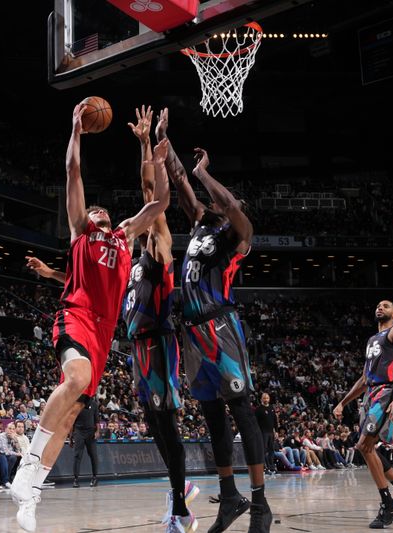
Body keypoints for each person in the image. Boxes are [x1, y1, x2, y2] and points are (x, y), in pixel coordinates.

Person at [11, 103, 171, 532]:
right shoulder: (81, 229)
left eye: (103, 209)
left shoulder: (124, 236)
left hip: (104, 331)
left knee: (70, 417)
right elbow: (73, 173)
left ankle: (33, 494)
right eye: (94, 209)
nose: (98, 210)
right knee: (76, 379)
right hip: (76, 316)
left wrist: (148, 148)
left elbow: (160, 201)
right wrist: (76, 129)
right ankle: (27, 464)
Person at [156, 108, 269, 533]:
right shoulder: (202, 226)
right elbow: (182, 187)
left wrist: (205, 174)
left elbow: (228, 204)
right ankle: (231, 495)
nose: (212, 205)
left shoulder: (235, 236)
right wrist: (165, 146)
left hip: (222, 329)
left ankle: (260, 505)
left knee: (241, 411)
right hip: (193, 335)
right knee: (213, 417)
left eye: (223, 202)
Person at [123, 105, 199, 532]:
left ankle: (180, 510)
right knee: (154, 424)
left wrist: (148, 143)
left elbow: (150, 190)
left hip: (159, 343)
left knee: (167, 426)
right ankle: (180, 487)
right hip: (138, 349)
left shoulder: (159, 247)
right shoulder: (133, 261)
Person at [334, 300, 393, 529]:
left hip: (388, 392)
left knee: (364, 446)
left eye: (385, 306)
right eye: (377, 305)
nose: (380, 307)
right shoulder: (371, 340)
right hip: (372, 394)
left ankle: (389, 504)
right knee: (368, 448)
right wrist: (342, 403)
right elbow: (365, 379)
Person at [70, 397, 99, 489]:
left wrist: (97, 432)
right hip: (79, 431)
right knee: (77, 455)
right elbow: (72, 421)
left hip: (90, 432)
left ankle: (95, 477)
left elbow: (97, 420)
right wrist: (71, 436)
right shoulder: (76, 404)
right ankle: (75, 479)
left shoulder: (94, 404)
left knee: (93, 455)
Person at [255, 393, 278, 475]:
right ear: (261, 399)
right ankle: (265, 467)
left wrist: (276, 431)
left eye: (267, 398)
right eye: (264, 398)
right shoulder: (258, 409)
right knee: (264, 450)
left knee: (271, 450)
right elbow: (255, 423)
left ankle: (272, 467)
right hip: (263, 433)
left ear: (269, 399)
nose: (266, 400)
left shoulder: (272, 408)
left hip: (271, 432)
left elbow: (275, 421)